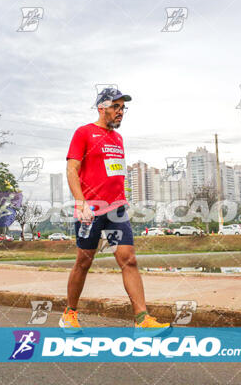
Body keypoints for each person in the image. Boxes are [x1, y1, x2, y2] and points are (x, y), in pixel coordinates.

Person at [61, 87, 170, 332]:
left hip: (116, 209)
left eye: (123, 108)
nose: (121, 112)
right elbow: (72, 170)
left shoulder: (118, 139)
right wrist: (81, 202)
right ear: (101, 108)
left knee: (128, 259)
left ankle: (142, 319)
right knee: (84, 261)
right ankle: (70, 313)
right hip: (91, 209)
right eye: (116, 107)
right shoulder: (84, 133)